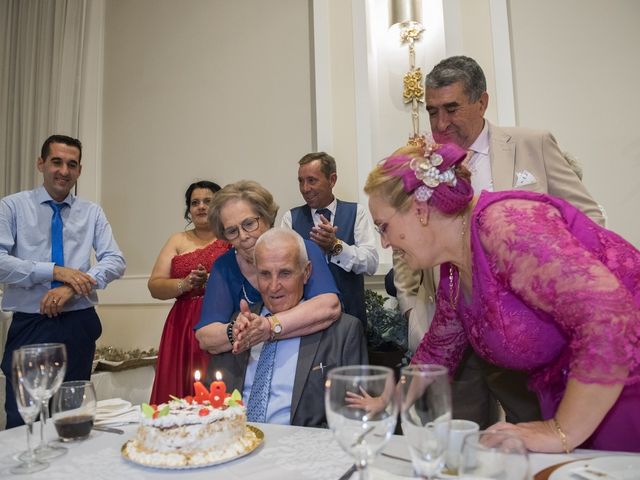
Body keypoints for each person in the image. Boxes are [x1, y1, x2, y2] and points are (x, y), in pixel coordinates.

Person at [364, 140, 640, 452]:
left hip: (623, 387)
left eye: (383, 227)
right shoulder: (453, 271)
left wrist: (561, 430)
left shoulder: (507, 226)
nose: (385, 243)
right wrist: (390, 401)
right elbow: (437, 352)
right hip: (585, 397)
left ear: (420, 210)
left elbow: (609, 316)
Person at [393, 55, 607, 428]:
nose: (441, 124)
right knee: (458, 438)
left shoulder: (532, 144)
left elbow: (590, 219)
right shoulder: (423, 162)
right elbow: (405, 240)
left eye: (452, 109)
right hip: (455, 326)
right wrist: (413, 308)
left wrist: (548, 280)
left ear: (482, 102)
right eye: (431, 112)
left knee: (535, 428)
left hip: (531, 331)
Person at [0, 134, 126, 428]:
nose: (64, 171)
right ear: (41, 163)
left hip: (79, 323)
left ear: (79, 170)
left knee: (74, 419)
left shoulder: (91, 212)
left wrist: (73, 286)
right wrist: (55, 271)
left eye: (72, 164)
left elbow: (115, 260)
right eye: (56, 162)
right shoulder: (12, 207)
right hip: (31, 325)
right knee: (25, 418)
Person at [207, 228, 367, 426]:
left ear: (306, 272)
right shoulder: (239, 325)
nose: (274, 287)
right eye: (265, 274)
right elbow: (212, 402)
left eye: (285, 273)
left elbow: (354, 416)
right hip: (240, 443)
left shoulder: (343, 332)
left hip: (305, 451)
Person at [195, 180, 341, 357]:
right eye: (232, 231)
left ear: (266, 218)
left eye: (249, 224)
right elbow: (205, 337)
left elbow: (329, 306)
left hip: (306, 358)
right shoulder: (224, 267)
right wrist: (239, 330)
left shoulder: (302, 249)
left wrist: (269, 326)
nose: (243, 236)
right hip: (251, 367)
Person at [148, 181, 230, 403]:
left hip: (219, 318)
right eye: (195, 203)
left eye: (208, 201)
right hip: (182, 325)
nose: (201, 207)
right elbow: (155, 285)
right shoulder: (177, 240)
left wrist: (211, 281)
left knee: (216, 386)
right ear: (188, 209)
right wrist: (184, 284)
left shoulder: (229, 238)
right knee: (179, 391)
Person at [282, 152, 378, 327]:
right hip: (306, 319)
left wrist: (336, 246)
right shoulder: (290, 218)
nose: (305, 188)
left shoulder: (356, 212)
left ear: (332, 180)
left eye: (311, 180)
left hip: (351, 316)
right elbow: (284, 268)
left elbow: (371, 264)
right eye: (301, 181)